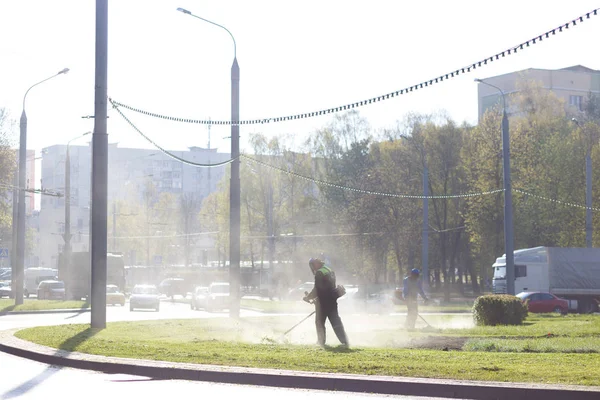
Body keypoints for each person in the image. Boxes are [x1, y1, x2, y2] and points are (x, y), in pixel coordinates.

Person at [303, 258, 349, 348]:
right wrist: (317, 297)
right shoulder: (329, 270)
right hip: (332, 300)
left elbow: (317, 289)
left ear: (316, 264)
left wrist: (308, 297)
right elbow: (328, 287)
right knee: (336, 321)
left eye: (312, 266)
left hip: (323, 303)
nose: (312, 268)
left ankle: (321, 342)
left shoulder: (320, 273)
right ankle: (344, 342)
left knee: (319, 322)